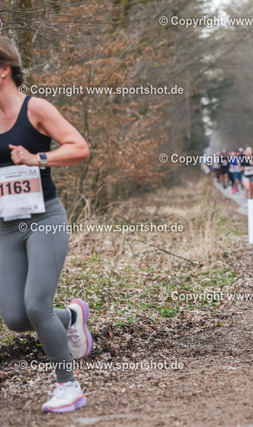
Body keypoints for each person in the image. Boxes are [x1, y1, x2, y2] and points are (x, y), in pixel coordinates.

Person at [0, 36, 92, 412]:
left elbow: (79, 148)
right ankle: (71, 316)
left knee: (37, 305)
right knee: (16, 318)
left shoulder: (34, 108)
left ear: (3, 70)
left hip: (44, 219)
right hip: (6, 225)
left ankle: (69, 386)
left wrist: (36, 158)